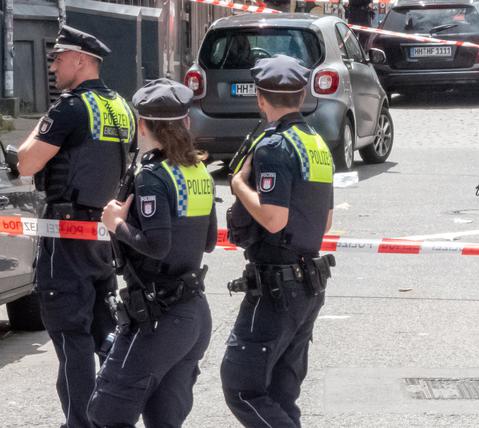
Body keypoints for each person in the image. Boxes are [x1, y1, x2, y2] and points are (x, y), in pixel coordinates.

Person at [15, 26, 135, 428]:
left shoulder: (69, 108)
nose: (52, 66)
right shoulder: (121, 105)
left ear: (81, 60)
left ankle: (81, 423)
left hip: (66, 236)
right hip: (103, 235)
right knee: (104, 330)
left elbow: (27, 163)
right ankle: (116, 413)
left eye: (58, 58)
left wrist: (41, 125)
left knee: (71, 337)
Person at [88, 78, 216, 427]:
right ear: (186, 123)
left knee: (104, 414)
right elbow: (209, 242)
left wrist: (116, 224)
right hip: (192, 316)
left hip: (158, 317)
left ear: (142, 125)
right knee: (164, 420)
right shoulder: (197, 170)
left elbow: (158, 246)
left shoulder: (152, 176)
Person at [220, 54, 337, 425]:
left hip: (276, 286)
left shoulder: (273, 146)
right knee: (280, 393)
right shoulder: (315, 142)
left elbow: (273, 218)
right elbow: (327, 219)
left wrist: (238, 183)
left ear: (259, 98)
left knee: (241, 387)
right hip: (307, 284)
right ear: (302, 97)